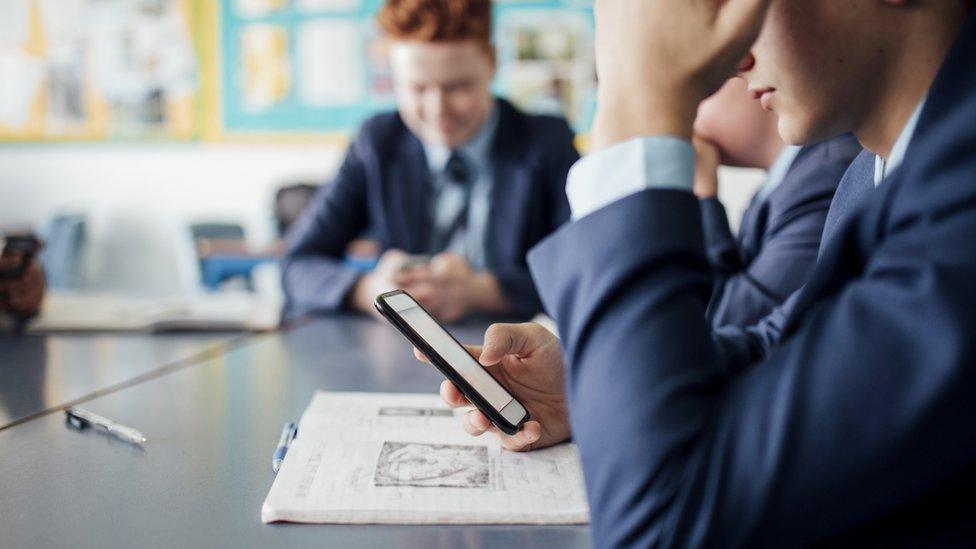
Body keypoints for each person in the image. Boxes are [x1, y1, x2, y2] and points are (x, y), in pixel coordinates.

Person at [425, 0, 976, 545]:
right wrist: (590, 385)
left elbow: (664, 528)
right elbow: (784, 347)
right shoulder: (873, 174)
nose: (734, 61)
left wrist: (640, 99)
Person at [282, 0, 578, 323]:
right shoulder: (378, 142)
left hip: (515, 357)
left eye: (458, 87)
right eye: (418, 88)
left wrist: (479, 290)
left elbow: (583, 273)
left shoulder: (547, 142)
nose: (438, 110)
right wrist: (372, 292)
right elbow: (297, 265)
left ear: (492, 62)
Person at [693, 78, 860, 328]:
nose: (685, 122)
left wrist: (701, 196)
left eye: (697, 90)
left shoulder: (826, 176)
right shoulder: (775, 191)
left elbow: (721, 324)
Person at [0, 242, 45, 323]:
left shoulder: (32, 270)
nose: (12, 260)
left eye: (15, 256)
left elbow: (31, 300)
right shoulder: (4, 266)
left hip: (22, 313)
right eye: (10, 256)